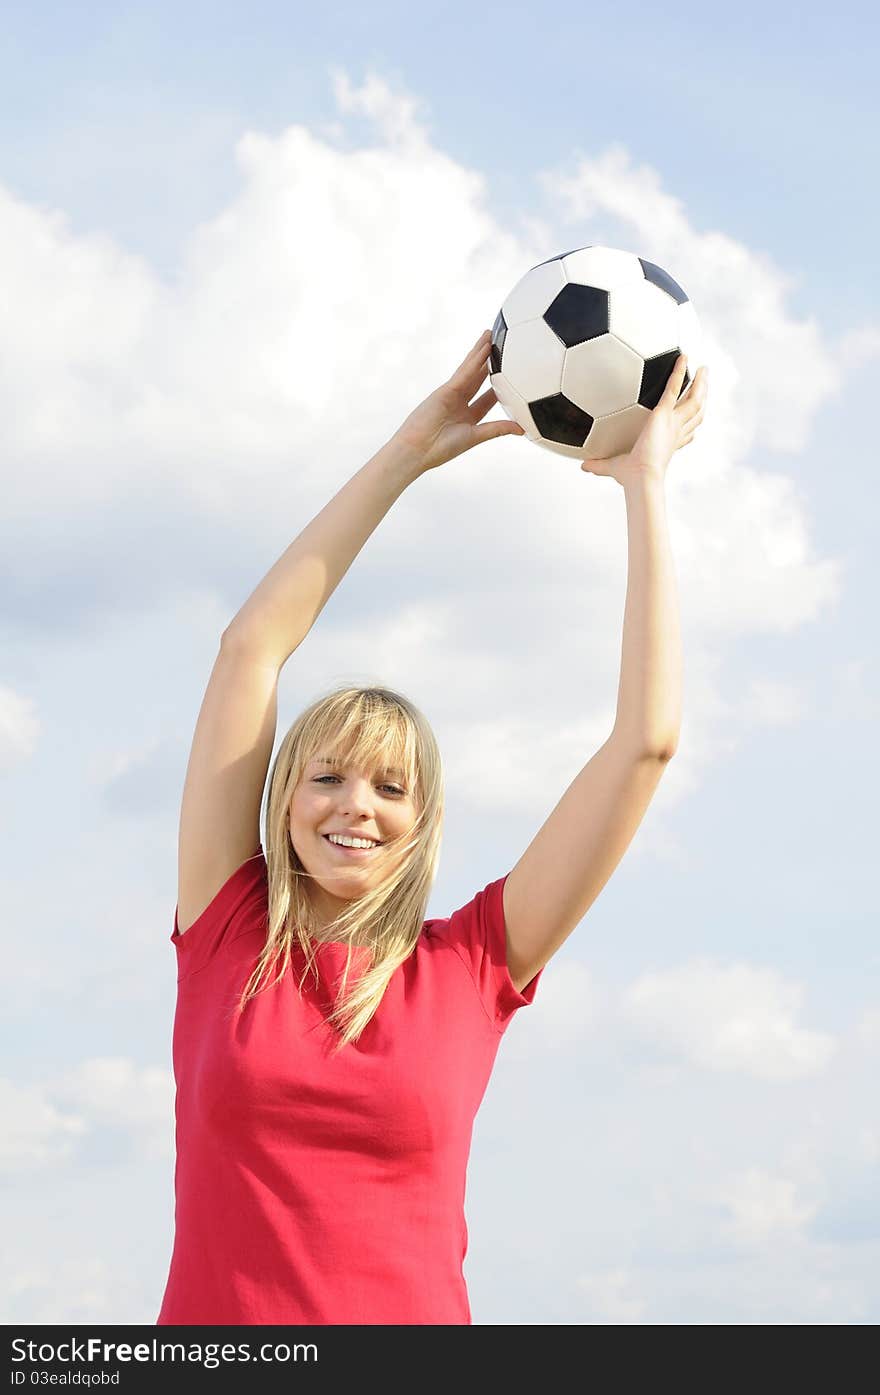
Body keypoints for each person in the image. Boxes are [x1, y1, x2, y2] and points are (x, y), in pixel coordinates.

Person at [156, 329, 708, 1325]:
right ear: (281, 801)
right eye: (323, 776)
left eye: (388, 789)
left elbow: (644, 744)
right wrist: (410, 452)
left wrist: (645, 486)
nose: (352, 806)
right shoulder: (225, 930)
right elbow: (249, 650)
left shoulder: (476, 965)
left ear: (422, 824)